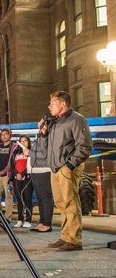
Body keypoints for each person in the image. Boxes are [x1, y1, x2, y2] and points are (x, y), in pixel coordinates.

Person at [39, 91, 92, 251]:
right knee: (61, 204)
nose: (49, 106)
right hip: (56, 168)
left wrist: (69, 166)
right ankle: (65, 237)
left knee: (71, 203)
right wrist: (44, 134)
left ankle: (74, 240)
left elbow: (85, 146)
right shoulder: (55, 123)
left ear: (63, 104)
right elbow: (47, 149)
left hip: (67, 168)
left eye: (52, 103)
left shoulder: (76, 119)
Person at [29, 131, 54, 233]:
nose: (39, 124)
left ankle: (47, 224)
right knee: (40, 199)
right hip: (36, 170)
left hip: (44, 170)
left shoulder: (48, 137)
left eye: (42, 123)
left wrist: (29, 152)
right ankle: (43, 222)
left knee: (46, 198)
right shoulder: (39, 137)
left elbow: (45, 153)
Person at [0, 128, 17, 223]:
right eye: (2, 135)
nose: (4, 136)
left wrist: (3, 171)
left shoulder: (13, 146)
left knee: (8, 196)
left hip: (7, 176)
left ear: (10, 135)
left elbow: (11, 162)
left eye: (6, 134)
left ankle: (7, 217)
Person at [10, 136, 34, 228]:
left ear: (28, 142)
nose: (23, 143)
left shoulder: (31, 153)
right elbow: (12, 166)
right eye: (21, 141)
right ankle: (20, 219)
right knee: (19, 200)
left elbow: (31, 165)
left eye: (25, 141)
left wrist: (23, 174)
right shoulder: (15, 153)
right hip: (17, 179)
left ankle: (28, 220)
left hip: (27, 179)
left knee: (27, 200)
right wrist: (16, 175)